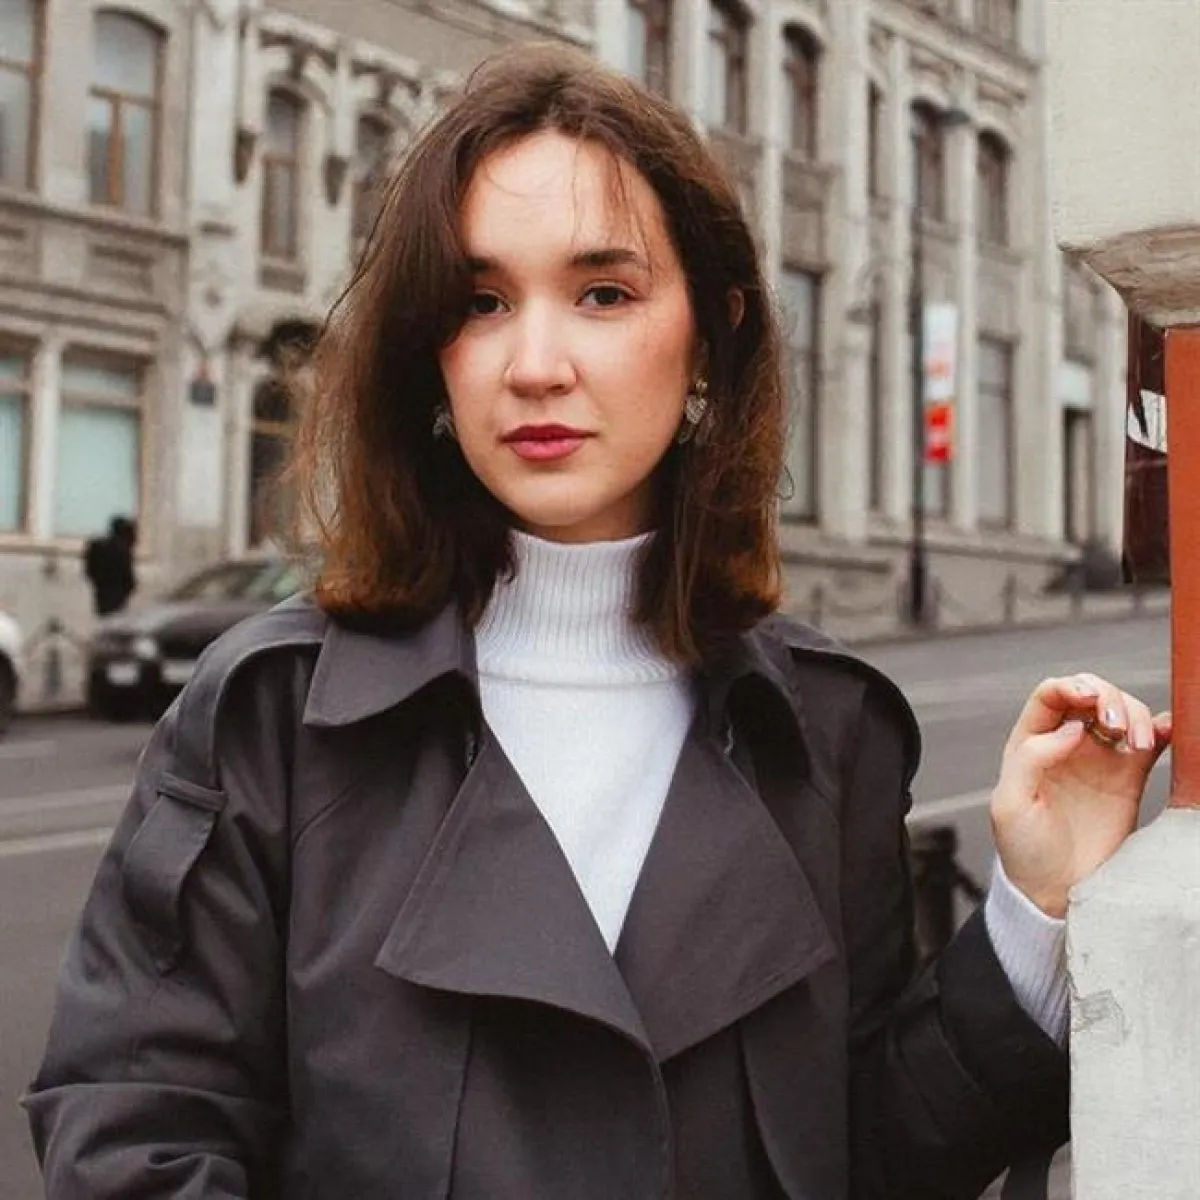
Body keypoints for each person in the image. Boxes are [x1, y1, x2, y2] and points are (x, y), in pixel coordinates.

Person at [26, 46, 1169, 1199]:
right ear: (430, 350)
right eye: (481, 302)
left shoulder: (824, 733)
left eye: (603, 294)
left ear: (710, 334)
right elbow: (134, 1130)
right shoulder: (272, 714)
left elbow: (870, 1151)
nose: (535, 366)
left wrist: (1033, 912)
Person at [82, 516, 137, 617]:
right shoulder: (121, 551)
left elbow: (89, 571)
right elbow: (128, 579)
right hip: (115, 595)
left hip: (103, 593)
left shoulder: (99, 547)